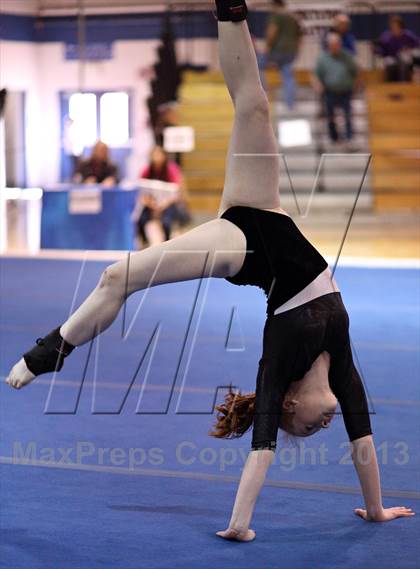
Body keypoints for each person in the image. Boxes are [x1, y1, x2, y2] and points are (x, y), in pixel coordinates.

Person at [6, 0, 415, 543]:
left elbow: (261, 450)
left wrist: (240, 525)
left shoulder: (279, 366)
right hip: (265, 209)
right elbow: (363, 441)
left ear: (287, 404)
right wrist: (378, 509)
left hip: (243, 249)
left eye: (306, 424)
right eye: (321, 428)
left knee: (117, 275)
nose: (322, 425)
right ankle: (230, 9)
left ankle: (49, 351)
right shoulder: (340, 365)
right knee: (255, 107)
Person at [134, 145, 190, 245]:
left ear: (164, 156)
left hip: (168, 204)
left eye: (159, 154)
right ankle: (144, 242)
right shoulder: (146, 170)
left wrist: (163, 205)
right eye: (154, 154)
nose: (157, 157)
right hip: (152, 204)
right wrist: (152, 205)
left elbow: (177, 193)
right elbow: (141, 192)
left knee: (166, 222)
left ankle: (166, 243)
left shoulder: (172, 169)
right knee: (140, 220)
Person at [313, 32, 359, 146]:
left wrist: (355, 88)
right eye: (332, 45)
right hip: (330, 92)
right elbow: (315, 75)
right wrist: (318, 85)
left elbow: (356, 73)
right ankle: (333, 138)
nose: (334, 47)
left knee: (347, 116)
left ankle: (349, 138)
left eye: (336, 44)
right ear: (328, 45)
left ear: (340, 44)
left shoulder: (347, 56)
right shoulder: (323, 58)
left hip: (345, 91)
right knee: (330, 117)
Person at [259, 0, 302, 110]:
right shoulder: (293, 18)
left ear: (275, 5)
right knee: (288, 76)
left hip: (277, 51)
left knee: (257, 65)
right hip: (290, 52)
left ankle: (263, 95)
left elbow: (272, 32)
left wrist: (267, 47)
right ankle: (290, 105)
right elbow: (300, 36)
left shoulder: (276, 16)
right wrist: (296, 50)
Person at [375, 15, 420, 82]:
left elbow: (417, 44)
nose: (394, 29)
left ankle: (403, 86)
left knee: (403, 65)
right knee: (391, 67)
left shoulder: (408, 35)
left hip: (406, 60)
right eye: (392, 27)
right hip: (391, 60)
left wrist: (409, 49)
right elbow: (380, 49)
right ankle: (391, 88)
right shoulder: (386, 36)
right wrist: (376, 50)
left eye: (396, 27)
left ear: (401, 27)